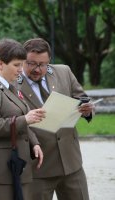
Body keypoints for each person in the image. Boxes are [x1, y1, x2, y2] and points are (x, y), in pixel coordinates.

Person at [16, 38, 94, 200]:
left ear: (49, 61)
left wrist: (87, 111)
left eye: (43, 64)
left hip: (71, 162)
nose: (37, 69)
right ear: (23, 60)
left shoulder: (63, 72)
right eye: (31, 64)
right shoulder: (13, 83)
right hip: (38, 166)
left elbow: (82, 99)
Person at [0, 38, 45, 200]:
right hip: (2, 172)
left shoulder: (11, 87)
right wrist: (25, 120)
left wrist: (34, 143)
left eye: (22, 64)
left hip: (18, 167)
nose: (21, 70)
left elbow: (21, 118)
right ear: (0, 64)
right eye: (16, 65)